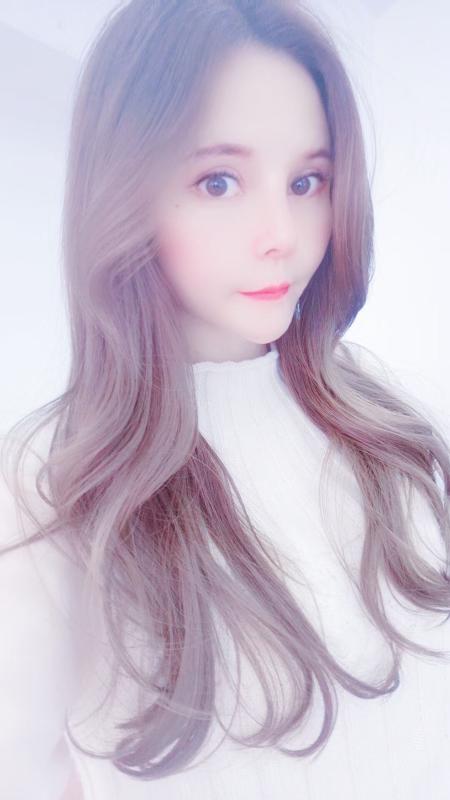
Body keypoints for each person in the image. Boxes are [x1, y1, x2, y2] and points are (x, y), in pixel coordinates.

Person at [1, 1, 450, 798]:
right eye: (219, 182)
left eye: (307, 181)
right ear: (123, 193)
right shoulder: (46, 484)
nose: (282, 233)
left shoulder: (394, 417)